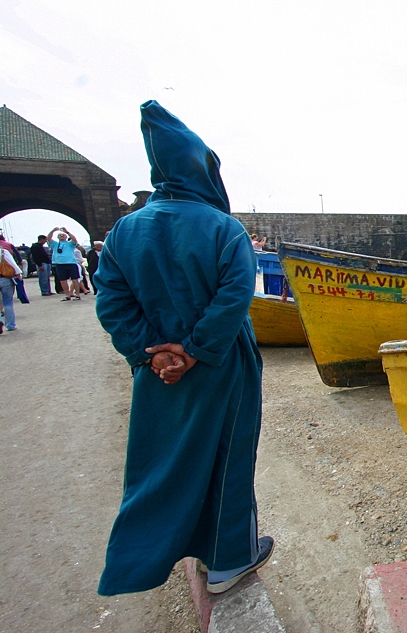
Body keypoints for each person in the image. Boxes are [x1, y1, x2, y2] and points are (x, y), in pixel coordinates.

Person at [95, 100, 272, 596]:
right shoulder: (224, 229)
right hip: (222, 367)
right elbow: (234, 297)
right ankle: (227, 560)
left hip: (155, 371)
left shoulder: (123, 232)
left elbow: (111, 299)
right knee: (228, 454)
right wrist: (195, 350)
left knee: (162, 460)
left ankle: (139, 560)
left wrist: (150, 354)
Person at [47, 227, 83, 300]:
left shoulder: (70, 244)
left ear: (66, 237)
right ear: (57, 237)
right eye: (60, 235)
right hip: (60, 264)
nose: (62, 235)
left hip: (71, 263)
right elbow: (48, 238)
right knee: (63, 281)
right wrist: (53, 231)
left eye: (63, 235)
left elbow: (74, 239)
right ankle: (67, 295)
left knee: (75, 280)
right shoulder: (55, 244)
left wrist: (67, 232)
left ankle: (77, 295)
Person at [0, 245, 23, 333]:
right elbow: (12, 263)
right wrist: (18, 273)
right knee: (7, 303)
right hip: (5, 278)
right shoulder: (3, 252)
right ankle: (10, 325)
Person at [0, 234, 29, 304]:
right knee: (8, 302)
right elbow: (16, 254)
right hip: (6, 273)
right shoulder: (7, 246)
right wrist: (19, 263)